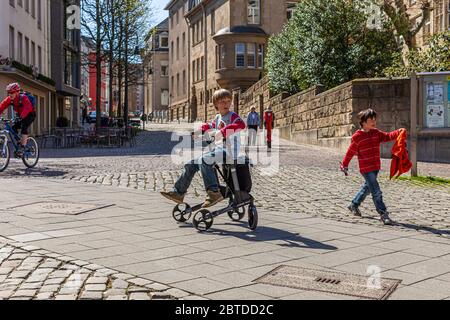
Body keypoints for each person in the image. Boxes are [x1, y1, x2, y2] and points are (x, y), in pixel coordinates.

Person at [161, 89, 246, 208]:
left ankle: (214, 193)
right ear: (216, 104)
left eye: (228, 101)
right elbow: (209, 126)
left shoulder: (233, 116)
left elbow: (241, 125)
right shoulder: (217, 118)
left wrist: (223, 131)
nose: (226, 104)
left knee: (205, 160)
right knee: (191, 164)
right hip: (217, 150)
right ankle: (178, 192)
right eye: (222, 101)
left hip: (230, 151)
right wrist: (199, 131)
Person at [340, 108, 405, 225]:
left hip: (375, 167)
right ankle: (383, 213)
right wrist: (344, 164)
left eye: (375, 118)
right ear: (363, 122)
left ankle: (353, 205)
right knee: (376, 191)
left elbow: (387, 136)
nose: (374, 121)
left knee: (367, 188)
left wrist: (398, 132)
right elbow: (350, 152)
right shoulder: (357, 137)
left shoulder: (376, 133)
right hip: (366, 169)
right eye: (371, 119)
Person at [0, 83, 36, 157]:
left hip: (30, 114)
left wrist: (21, 117)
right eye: (9, 92)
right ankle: (20, 142)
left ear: (17, 92)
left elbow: (27, 108)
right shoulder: (10, 99)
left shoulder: (23, 98)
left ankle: (23, 147)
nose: (10, 94)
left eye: (12, 92)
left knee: (24, 126)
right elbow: (2, 106)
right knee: (13, 128)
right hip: (20, 115)